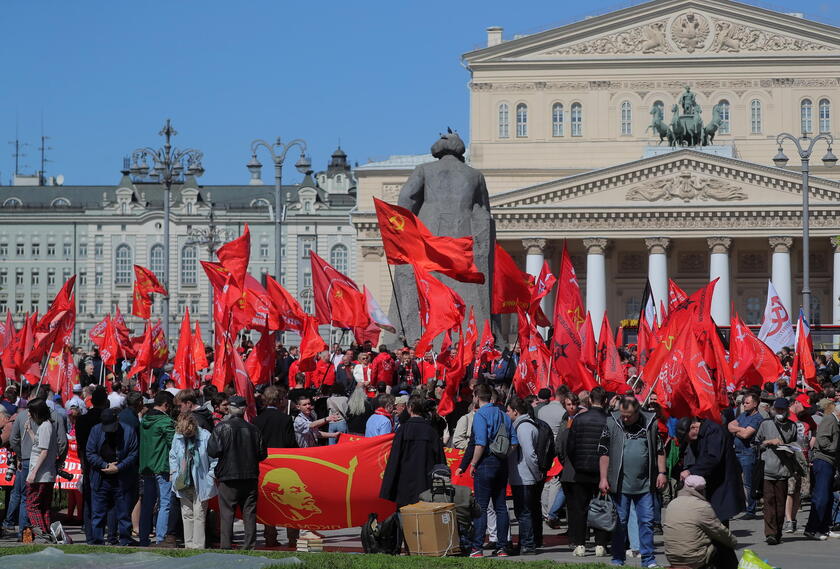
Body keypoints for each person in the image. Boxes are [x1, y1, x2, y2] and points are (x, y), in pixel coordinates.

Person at [598, 396, 666, 568]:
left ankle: (648, 559)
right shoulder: (612, 422)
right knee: (620, 523)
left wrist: (662, 473)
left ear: (637, 412)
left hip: (644, 485)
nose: (625, 419)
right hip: (620, 485)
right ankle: (618, 558)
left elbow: (659, 450)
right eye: (623, 415)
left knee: (647, 522)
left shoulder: (650, 424)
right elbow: (604, 452)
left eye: (628, 416)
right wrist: (603, 478)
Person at [457, 383, 517, 558]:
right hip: (501, 463)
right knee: (501, 507)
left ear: (476, 397)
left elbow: (480, 443)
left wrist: (473, 464)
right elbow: (514, 442)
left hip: (485, 462)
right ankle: (502, 547)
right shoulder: (503, 414)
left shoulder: (480, 415)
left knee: (481, 507)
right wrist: (504, 454)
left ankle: (477, 548)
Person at [207, 395, 267, 550]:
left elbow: (212, 451)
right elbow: (262, 454)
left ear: (230, 410)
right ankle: (249, 546)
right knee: (249, 512)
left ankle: (226, 546)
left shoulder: (221, 428)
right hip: (250, 476)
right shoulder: (254, 429)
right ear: (244, 410)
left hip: (228, 476)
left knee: (227, 513)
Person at [559, 386, 610, 557]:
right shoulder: (609, 420)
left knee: (580, 508)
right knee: (602, 507)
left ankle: (580, 543)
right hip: (602, 472)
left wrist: (577, 463)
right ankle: (600, 544)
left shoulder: (579, 419)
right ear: (605, 401)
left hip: (581, 470)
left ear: (589, 400)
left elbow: (570, 447)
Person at [380, 394, 446, 507]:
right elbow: (440, 462)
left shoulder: (403, 430)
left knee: (405, 521)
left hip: (404, 485)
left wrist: (388, 487)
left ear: (410, 408)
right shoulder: (431, 432)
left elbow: (394, 460)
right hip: (426, 486)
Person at [252, 385, 297, 548]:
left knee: (269, 502)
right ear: (278, 401)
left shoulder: (257, 420)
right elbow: (291, 444)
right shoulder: (285, 419)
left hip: (264, 466)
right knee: (291, 502)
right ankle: (293, 539)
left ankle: (270, 537)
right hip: (285, 466)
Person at [86, 407, 139, 545]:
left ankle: (125, 539)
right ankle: (97, 541)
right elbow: (90, 453)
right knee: (98, 513)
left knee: (123, 512)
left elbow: (133, 453)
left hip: (121, 478)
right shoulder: (96, 431)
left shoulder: (128, 431)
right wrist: (104, 465)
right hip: (100, 477)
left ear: (117, 420)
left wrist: (118, 467)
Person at [678, 416, 745, 524]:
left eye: (687, 437)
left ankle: (722, 540)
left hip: (723, 479)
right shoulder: (701, 435)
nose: (688, 440)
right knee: (711, 516)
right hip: (712, 479)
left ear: (693, 427)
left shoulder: (713, 431)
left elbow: (713, 457)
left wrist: (691, 471)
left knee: (719, 516)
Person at [663, 475, 738, 569]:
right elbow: (719, 530)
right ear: (702, 490)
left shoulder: (672, 504)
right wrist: (734, 542)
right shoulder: (702, 506)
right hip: (693, 559)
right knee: (723, 542)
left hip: (672, 556)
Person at [755, 397, 801, 545]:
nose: (779, 412)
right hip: (767, 469)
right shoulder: (765, 424)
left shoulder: (792, 426)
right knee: (768, 503)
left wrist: (791, 449)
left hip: (783, 470)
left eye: (782, 410)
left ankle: (778, 532)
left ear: (787, 410)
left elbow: (796, 443)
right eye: (777, 409)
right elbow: (756, 444)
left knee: (780, 504)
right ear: (774, 409)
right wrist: (768, 442)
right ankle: (770, 533)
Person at [168, 412, 217, 549]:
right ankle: (188, 546)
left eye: (188, 434)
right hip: (183, 481)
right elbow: (172, 455)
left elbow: (215, 459)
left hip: (201, 482)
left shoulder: (206, 436)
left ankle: (198, 546)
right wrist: (173, 472)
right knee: (187, 514)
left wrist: (211, 476)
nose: (185, 436)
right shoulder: (178, 436)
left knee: (199, 515)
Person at [138, 391, 176, 547]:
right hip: (161, 467)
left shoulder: (144, 419)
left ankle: (143, 538)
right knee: (165, 503)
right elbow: (174, 444)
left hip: (146, 467)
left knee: (147, 503)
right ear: (166, 405)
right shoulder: (165, 421)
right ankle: (161, 539)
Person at [418, 463, 479, 554]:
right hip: (463, 537)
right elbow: (478, 512)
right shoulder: (465, 492)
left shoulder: (425, 496)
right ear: (449, 477)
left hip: (436, 538)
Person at [506, 397, 540, 555]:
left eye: (509, 411)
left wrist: (536, 474)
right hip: (521, 476)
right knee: (522, 512)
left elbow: (529, 453)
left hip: (525, 476)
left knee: (524, 512)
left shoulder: (524, 427)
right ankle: (524, 543)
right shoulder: (521, 425)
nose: (507, 413)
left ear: (516, 411)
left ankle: (527, 544)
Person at [23, 399, 58, 543]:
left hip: (40, 475)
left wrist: (33, 472)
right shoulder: (46, 426)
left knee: (32, 506)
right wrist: (31, 431)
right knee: (43, 507)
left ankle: (42, 535)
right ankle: (47, 534)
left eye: (31, 412)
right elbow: (40, 445)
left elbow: (43, 452)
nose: (29, 415)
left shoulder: (45, 426)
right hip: (46, 474)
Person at [804, 399, 840, 540]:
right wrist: (835, 448)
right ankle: (812, 529)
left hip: (830, 462)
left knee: (828, 497)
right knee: (821, 497)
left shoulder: (834, 421)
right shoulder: (829, 420)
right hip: (823, 461)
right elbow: (823, 440)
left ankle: (824, 528)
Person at [728, 392, 763, 519]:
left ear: (755, 404)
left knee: (748, 483)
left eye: (747, 402)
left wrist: (737, 430)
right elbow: (730, 425)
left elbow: (746, 435)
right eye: (744, 402)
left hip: (748, 453)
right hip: (736, 452)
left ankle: (751, 510)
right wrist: (740, 429)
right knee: (734, 481)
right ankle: (736, 507)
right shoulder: (743, 415)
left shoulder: (758, 418)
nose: (744, 404)